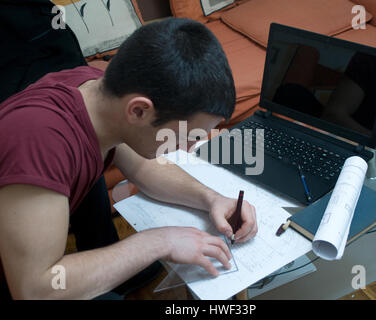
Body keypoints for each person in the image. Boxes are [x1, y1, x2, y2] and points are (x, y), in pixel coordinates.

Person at [0, 18, 257, 300]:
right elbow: (36, 289)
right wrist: (159, 242)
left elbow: (144, 168)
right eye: (188, 134)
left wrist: (212, 199)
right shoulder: (39, 141)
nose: (189, 146)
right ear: (138, 111)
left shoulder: (99, 94)